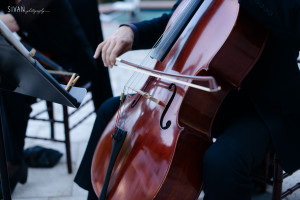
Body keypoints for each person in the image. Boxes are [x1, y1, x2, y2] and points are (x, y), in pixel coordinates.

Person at [75, 0, 300, 199]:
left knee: (221, 163)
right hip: (204, 97)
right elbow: (176, 21)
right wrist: (131, 31)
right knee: (111, 112)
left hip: (262, 105)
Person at [0, 0, 112, 196]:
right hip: (42, 58)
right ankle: (12, 157)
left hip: (71, 66)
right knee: (6, 82)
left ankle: (13, 163)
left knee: (11, 88)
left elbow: (12, 22)